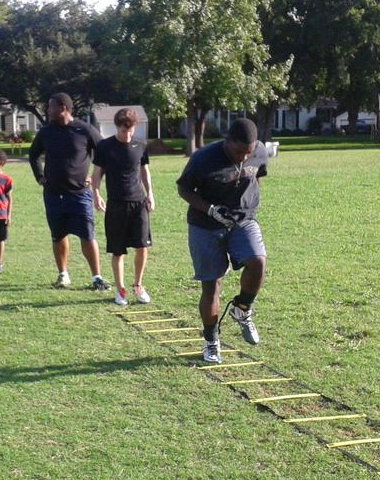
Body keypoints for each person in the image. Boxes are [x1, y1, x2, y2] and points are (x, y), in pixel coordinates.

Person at [176, 117, 269, 363]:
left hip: (242, 220)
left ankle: (242, 308)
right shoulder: (203, 158)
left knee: (258, 261)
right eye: (239, 152)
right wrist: (211, 209)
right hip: (205, 225)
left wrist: (247, 204)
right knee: (212, 285)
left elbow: (257, 176)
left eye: (248, 153)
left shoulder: (259, 152)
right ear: (228, 141)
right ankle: (211, 341)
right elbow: (184, 189)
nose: (243, 157)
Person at [28, 92, 110, 290]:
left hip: (79, 194)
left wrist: (95, 177)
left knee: (87, 235)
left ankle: (96, 277)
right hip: (53, 194)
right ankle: (63, 275)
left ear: (63, 108)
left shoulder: (84, 130)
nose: (48, 111)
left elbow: (105, 153)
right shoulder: (46, 132)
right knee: (58, 235)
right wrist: (40, 176)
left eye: (51, 107)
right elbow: (34, 154)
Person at [91, 108, 155, 306]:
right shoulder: (104, 147)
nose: (127, 135)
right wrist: (96, 194)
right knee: (118, 251)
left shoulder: (141, 145)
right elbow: (96, 173)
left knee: (142, 247)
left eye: (130, 131)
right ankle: (120, 290)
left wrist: (150, 193)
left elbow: (144, 170)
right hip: (116, 204)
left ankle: (138, 285)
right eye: (123, 131)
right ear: (117, 127)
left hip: (138, 203)